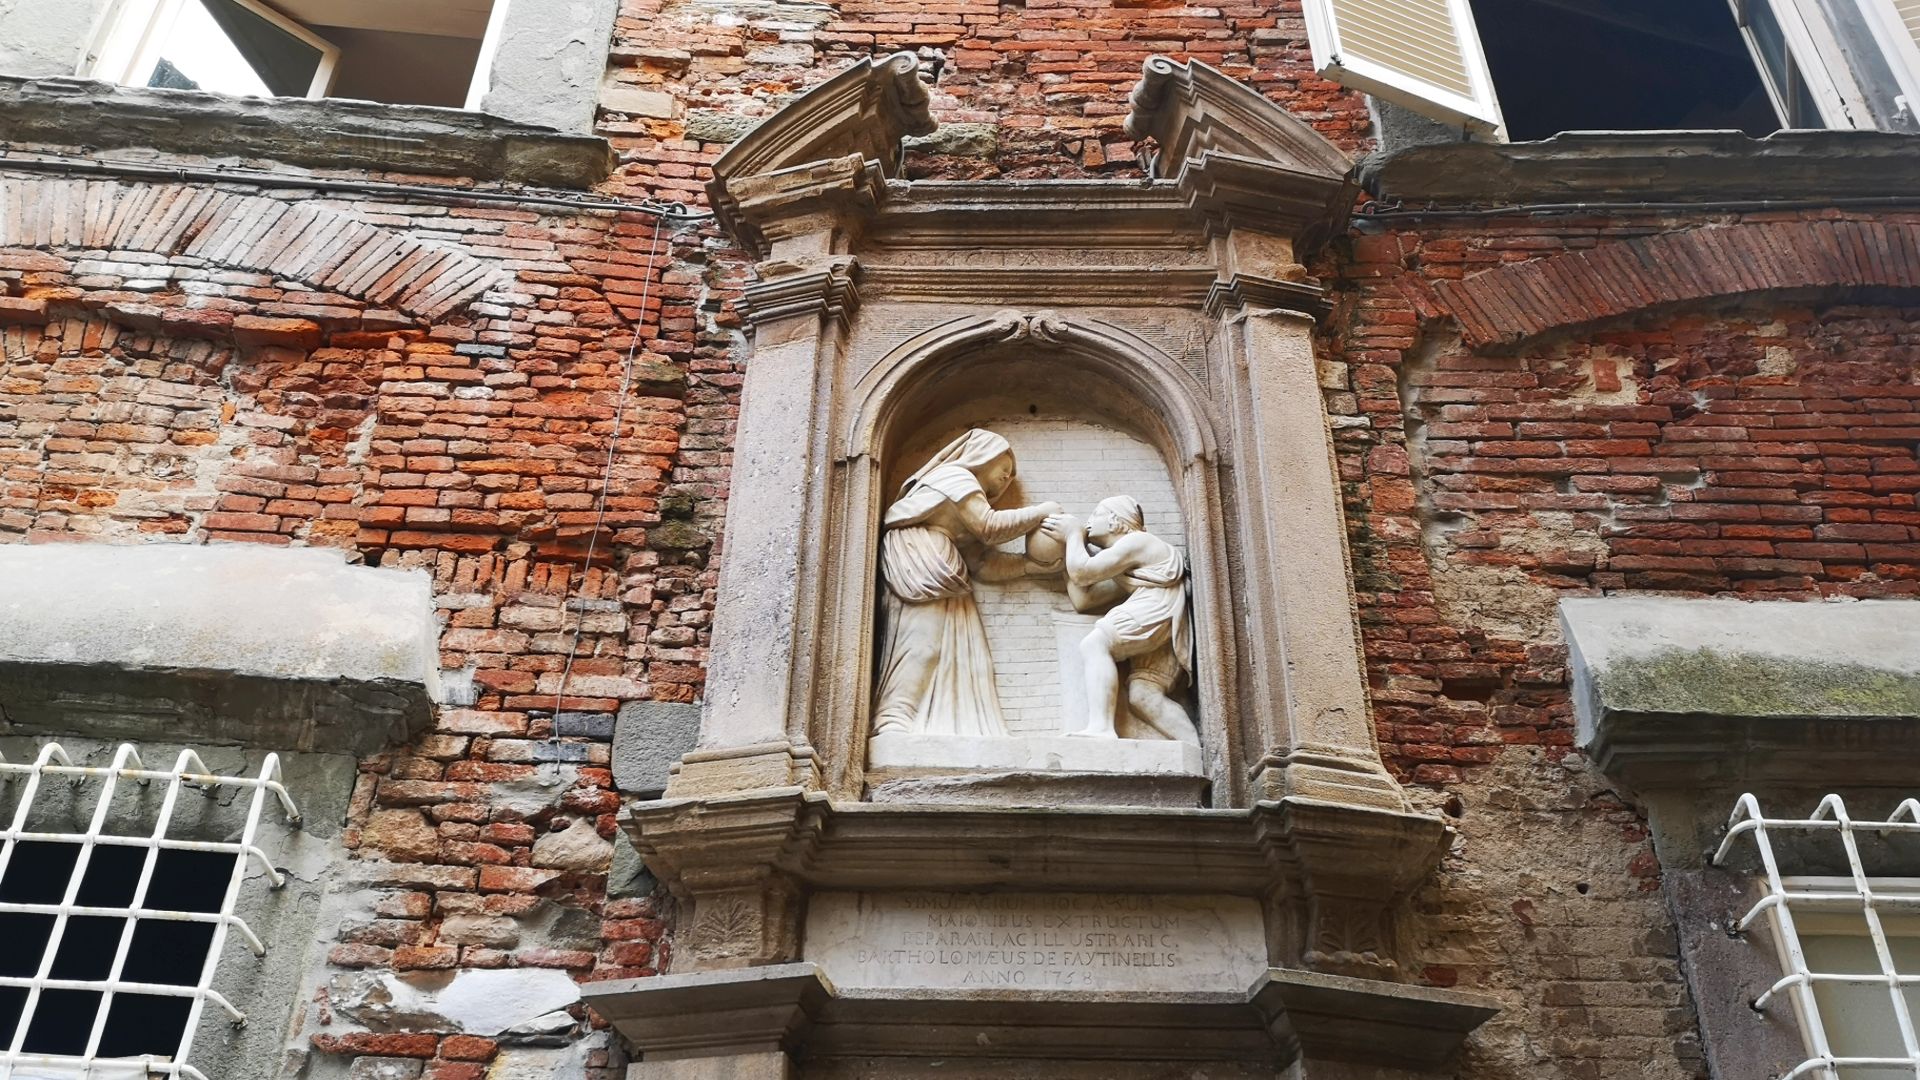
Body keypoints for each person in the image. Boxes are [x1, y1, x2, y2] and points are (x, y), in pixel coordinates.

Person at [873, 429, 1061, 738]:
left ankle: (939, 725)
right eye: (1005, 466)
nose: (1008, 477)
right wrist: (1042, 511)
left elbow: (983, 564)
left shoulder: (965, 510)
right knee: (921, 643)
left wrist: (1029, 567)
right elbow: (989, 527)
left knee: (970, 659)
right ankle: (893, 718)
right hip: (920, 561)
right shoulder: (954, 477)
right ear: (982, 456)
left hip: (945, 565)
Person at [1043, 495, 1197, 744]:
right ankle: (1192, 747)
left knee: (1095, 644)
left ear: (1115, 521)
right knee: (1144, 695)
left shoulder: (1138, 541)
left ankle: (1101, 727)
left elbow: (1083, 573)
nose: (1089, 522)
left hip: (1156, 607)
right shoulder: (1130, 568)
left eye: (1096, 514)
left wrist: (1072, 535)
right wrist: (1063, 556)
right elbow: (1086, 600)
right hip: (1165, 615)